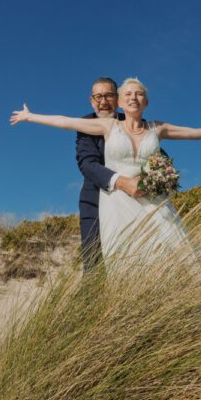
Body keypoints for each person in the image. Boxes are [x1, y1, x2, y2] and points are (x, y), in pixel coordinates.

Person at [10, 77, 201, 314]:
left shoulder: (156, 128)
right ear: (121, 102)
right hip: (111, 201)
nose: (132, 98)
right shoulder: (105, 126)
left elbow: (191, 133)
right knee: (113, 262)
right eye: (128, 94)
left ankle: (182, 308)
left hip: (150, 202)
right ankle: (115, 315)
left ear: (134, 100)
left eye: (138, 94)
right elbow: (66, 123)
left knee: (172, 254)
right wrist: (30, 116)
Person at [75, 77, 140, 272]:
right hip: (95, 202)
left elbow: (153, 154)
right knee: (95, 265)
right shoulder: (85, 124)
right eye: (98, 97)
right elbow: (87, 163)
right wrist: (121, 182)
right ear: (91, 100)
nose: (103, 102)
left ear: (118, 99)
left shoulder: (134, 121)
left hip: (137, 201)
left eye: (109, 95)